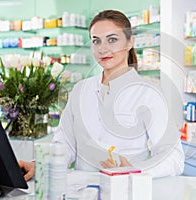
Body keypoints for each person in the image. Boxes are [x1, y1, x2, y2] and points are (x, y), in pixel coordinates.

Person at [19, 9, 185, 181]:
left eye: (112, 39)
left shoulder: (148, 94)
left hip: (125, 189)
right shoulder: (80, 89)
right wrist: (38, 165)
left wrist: (134, 170)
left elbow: (173, 157)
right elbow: (64, 146)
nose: (103, 48)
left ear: (130, 42)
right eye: (96, 41)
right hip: (81, 190)